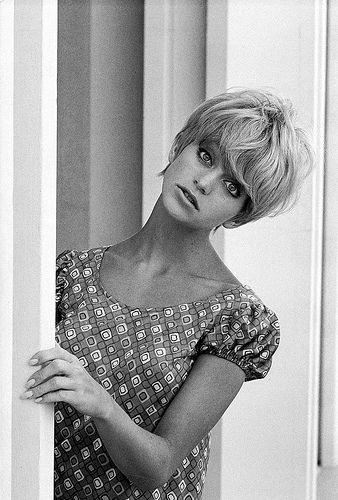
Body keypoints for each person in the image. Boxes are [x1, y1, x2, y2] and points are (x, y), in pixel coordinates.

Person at [21, 89, 313, 500]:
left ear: (242, 213)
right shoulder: (69, 274)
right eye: (206, 155)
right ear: (181, 145)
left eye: (232, 186)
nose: (204, 182)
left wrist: (100, 403)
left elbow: (158, 467)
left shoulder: (235, 319)